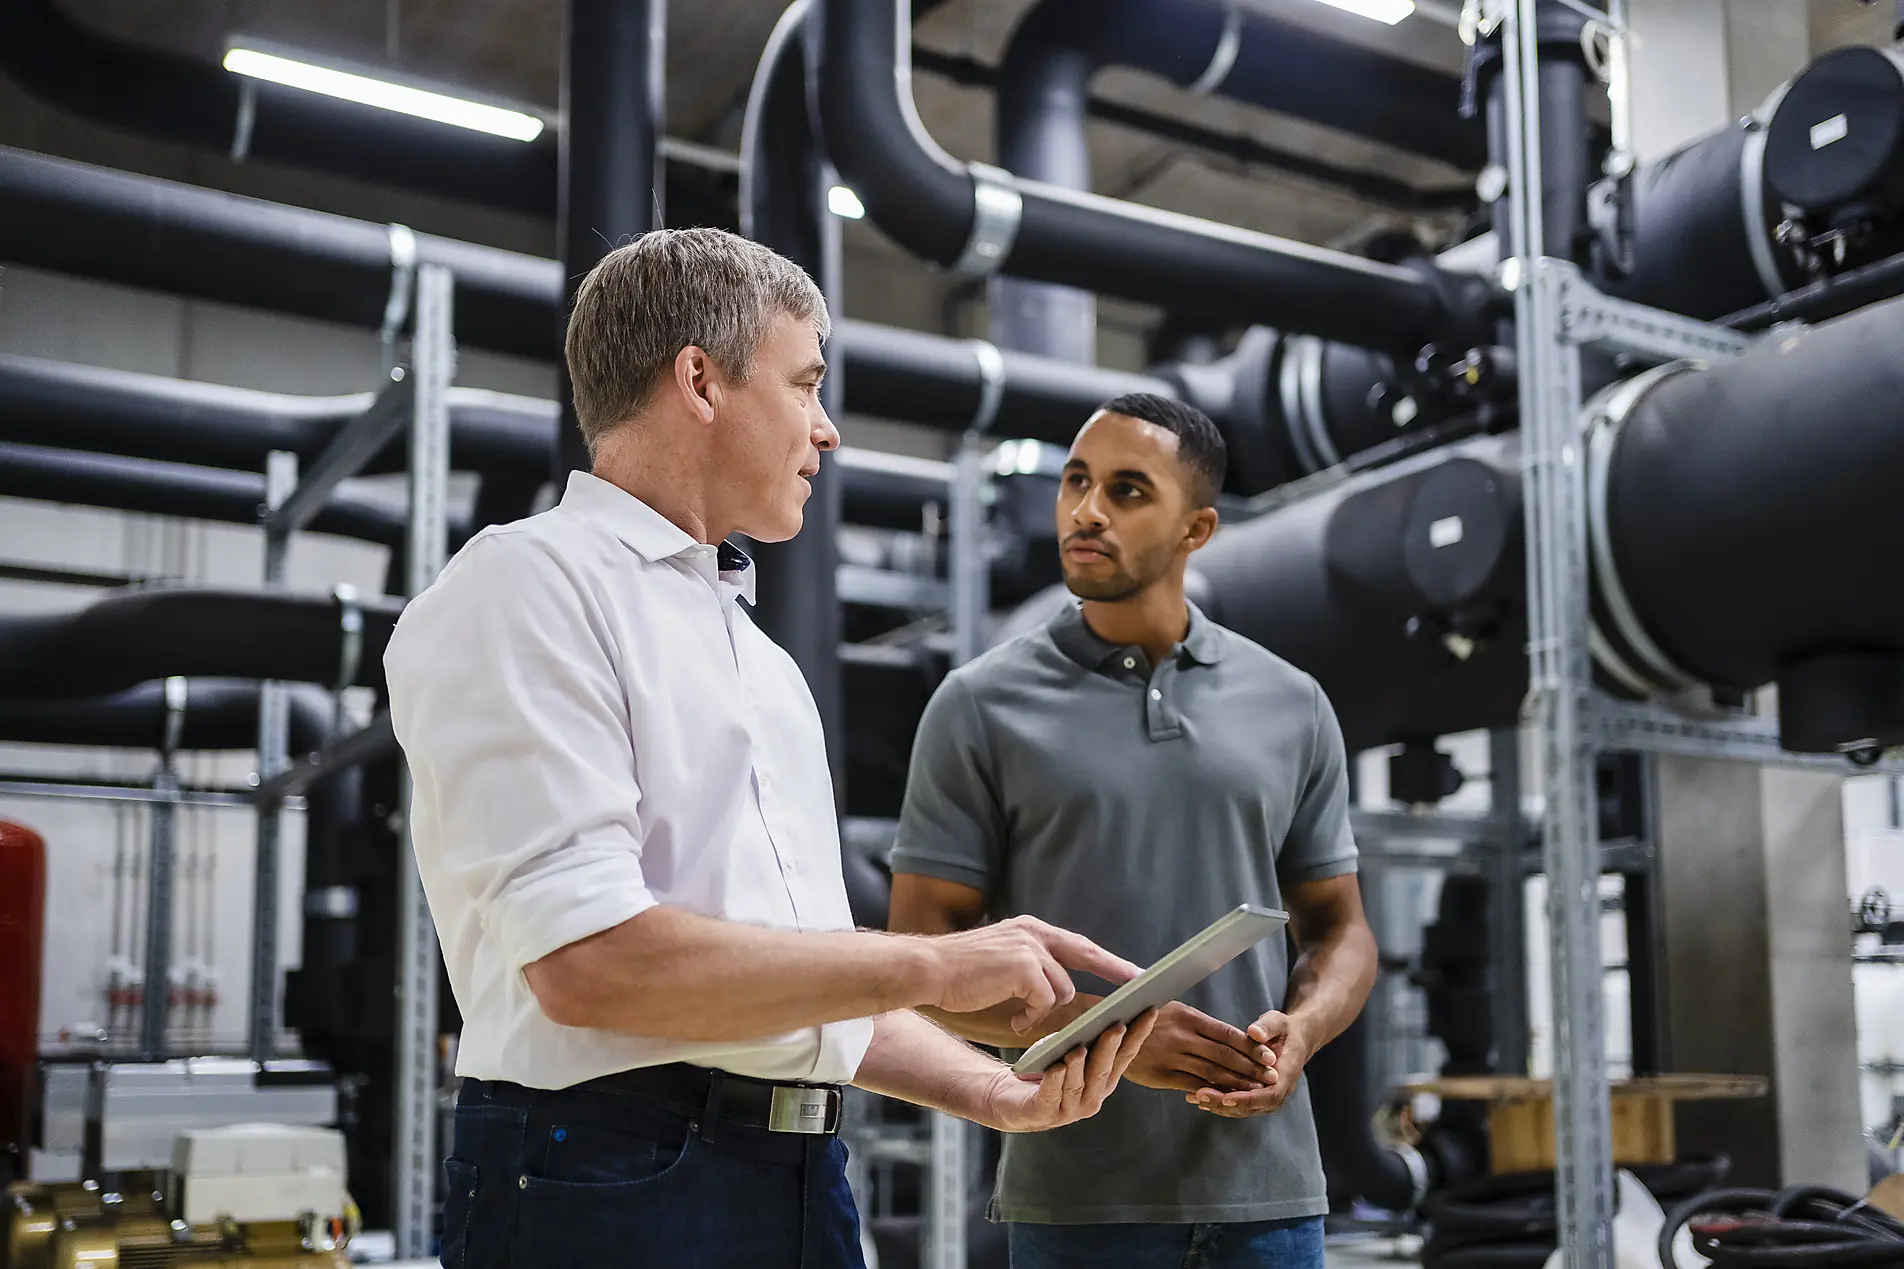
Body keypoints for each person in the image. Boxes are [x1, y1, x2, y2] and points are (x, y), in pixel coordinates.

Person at [384, 228, 1157, 1269]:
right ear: (698, 379)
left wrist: (989, 1090)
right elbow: (590, 965)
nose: (827, 431)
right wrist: (934, 964)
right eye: (806, 385)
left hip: (794, 1176)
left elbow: (795, 986)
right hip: (614, 1177)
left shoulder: (758, 661)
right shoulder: (528, 586)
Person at [888, 393, 1380, 1269]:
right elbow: (921, 955)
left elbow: (1340, 928)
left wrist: (1301, 1031)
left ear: (1197, 529)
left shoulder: (1291, 702)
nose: (1086, 510)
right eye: (1076, 482)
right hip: (1079, 1204)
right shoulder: (979, 705)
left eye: (1126, 490)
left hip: (1270, 1200)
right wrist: (1106, 1031)